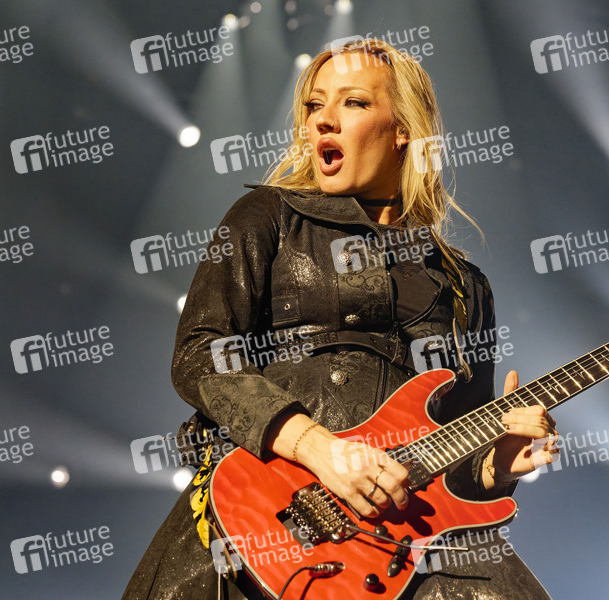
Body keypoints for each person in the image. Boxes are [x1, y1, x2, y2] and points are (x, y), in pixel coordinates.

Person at [123, 38, 556, 600]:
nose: (323, 119)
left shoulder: (465, 285)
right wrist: (320, 449)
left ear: (403, 129)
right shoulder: (268, 216)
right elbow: (202, 353)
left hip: (406, 538)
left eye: (352, 102)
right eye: (313, 105)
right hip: (274, 511)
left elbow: (457, 449)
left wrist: (497, 465)